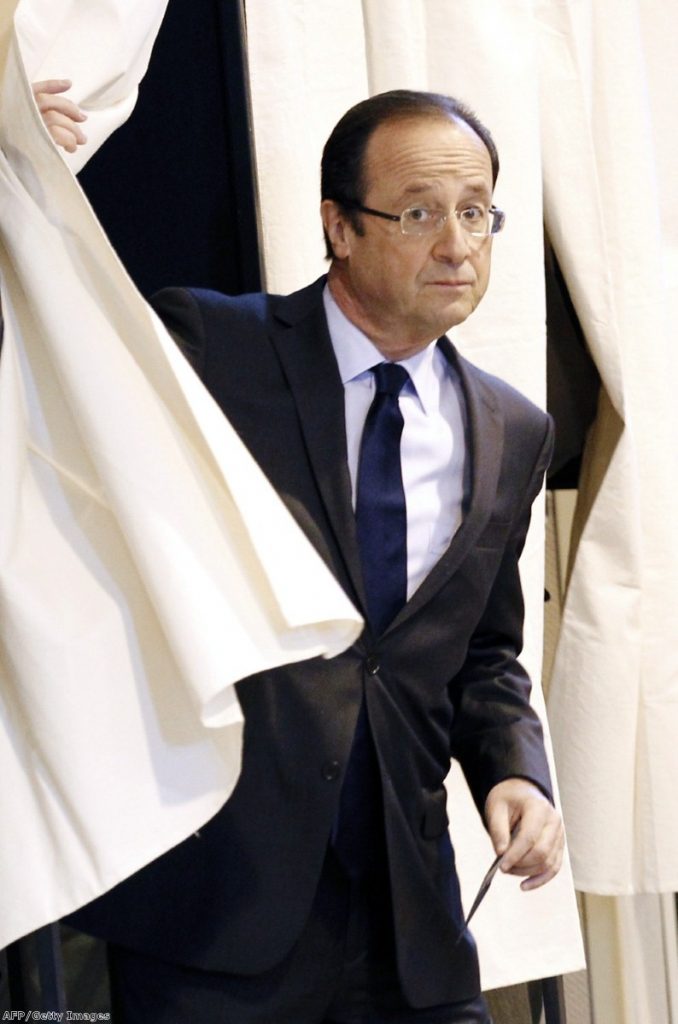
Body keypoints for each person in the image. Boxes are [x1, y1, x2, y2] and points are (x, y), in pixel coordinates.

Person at [38, 86, 564, 1024]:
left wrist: (515, 770)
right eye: (418, 213)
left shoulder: (513, 429)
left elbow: (482, 652)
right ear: (340, 227)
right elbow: (39, 350)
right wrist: (17, 167)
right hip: (217, 913)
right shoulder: (213, 348)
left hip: (412, 924)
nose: (458, 244)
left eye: (477, 212)